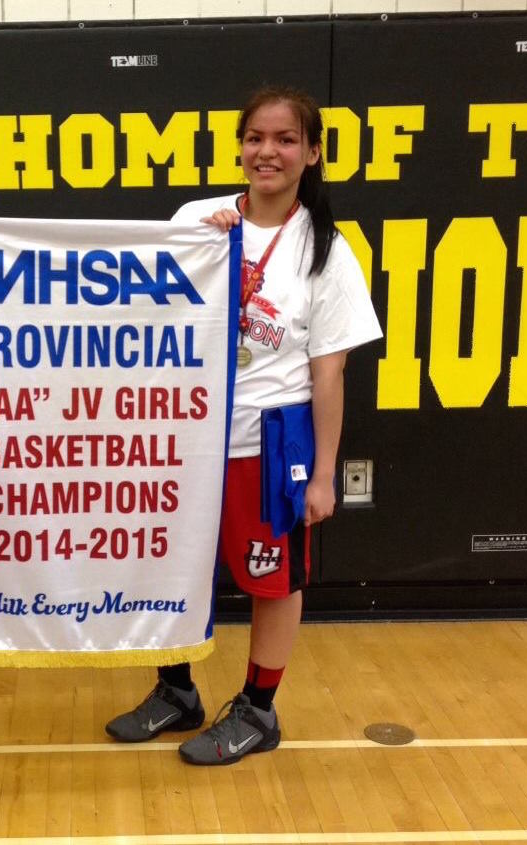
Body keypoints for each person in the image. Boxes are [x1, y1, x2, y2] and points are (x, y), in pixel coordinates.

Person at [105, 86, 382, 765]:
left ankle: (259, 708)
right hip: (183, 437)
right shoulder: (197, 218)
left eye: (286, 140)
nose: (269, 152)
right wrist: (194, 249)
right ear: (238, 146)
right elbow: (140, 312)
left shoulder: (325, 252)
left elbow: (328, 374)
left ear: (312, 154)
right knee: (170, 570)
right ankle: (177, 691)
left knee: (272, 580)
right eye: (256, 137)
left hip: (268, 442)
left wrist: (323, 474)